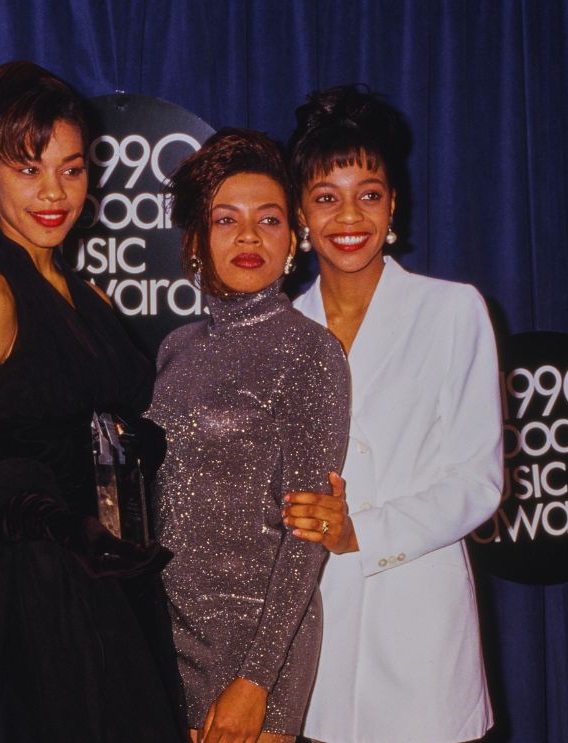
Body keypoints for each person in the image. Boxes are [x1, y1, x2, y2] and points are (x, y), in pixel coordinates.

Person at [0, 60, 183, 743]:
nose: (53, 192)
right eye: (28, 168)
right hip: (39, 599)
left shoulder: (82, 291)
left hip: (113, 577)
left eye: (70, 168)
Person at [279, 86, 503, 743]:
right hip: (315, 642)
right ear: (299, 212)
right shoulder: (283, 330)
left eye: (367, 192)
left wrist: (361, 533)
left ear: (392, 203)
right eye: (325, 197)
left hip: (419, 643)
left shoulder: (450, 311)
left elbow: (476, 482)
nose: (348, 215)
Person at [150, 128, 351, 743]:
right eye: (226, 219)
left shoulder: (310, 352)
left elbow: (306, 533)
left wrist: (255, 680)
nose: (247, 236)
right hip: (165, 632)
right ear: (195, 241)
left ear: (292, 240)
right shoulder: (174, 348)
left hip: (255, 644)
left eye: (268, 220)